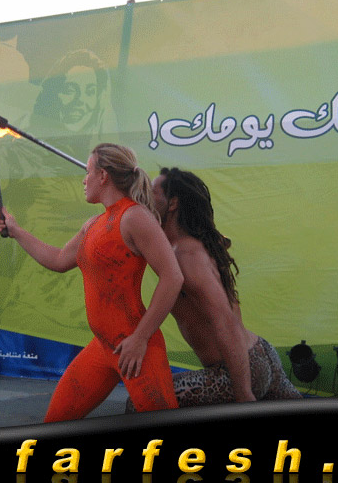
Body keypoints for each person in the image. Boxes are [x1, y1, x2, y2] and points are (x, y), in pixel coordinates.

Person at [0, 143, 184, 422]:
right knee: (54, 422)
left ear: (103, 176)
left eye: (88, 171)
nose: (84, 180)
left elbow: (173, 277)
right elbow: (59, 259)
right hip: (103, 347)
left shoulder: (135, 217)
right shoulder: (93, 224)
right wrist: (16, 231)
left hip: (135, 347)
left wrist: (140, 338)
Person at [126, 167, 302, 411]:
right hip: (260, 354)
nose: (146, 197)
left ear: (173, 203)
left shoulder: (185, 255)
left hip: (236, 371)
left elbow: (225, 322)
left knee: (142, 402)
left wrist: (243, 393)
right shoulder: (192, 244)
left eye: (152, 192)